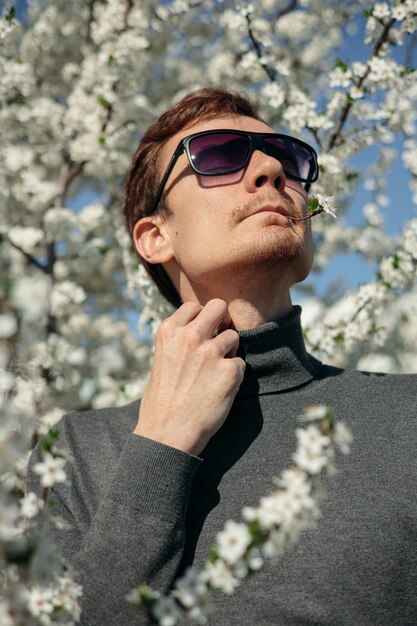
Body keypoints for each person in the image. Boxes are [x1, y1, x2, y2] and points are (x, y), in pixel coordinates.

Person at [27, 88, 417, 626]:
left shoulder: (408, 415)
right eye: (217, 155)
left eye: (291, 157)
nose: (271, 169)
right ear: (155, 237)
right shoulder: (75, 452)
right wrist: (161, 447)